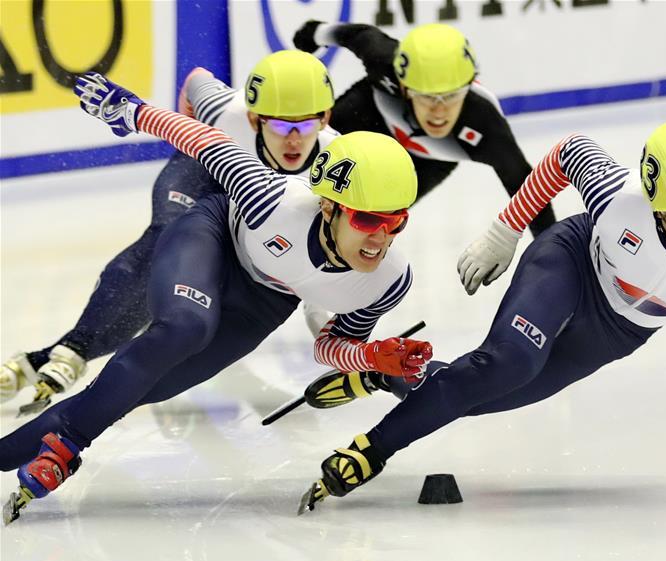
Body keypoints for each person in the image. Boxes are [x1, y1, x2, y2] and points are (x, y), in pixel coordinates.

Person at [296, 116, 666, 511]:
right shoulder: (619, 202)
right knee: (508, 362)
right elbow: (567, 153)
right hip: (568, 263)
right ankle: (372, 451)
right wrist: (505, 231)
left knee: (481, 397)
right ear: (655, 201)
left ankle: (385, 375)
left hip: (619, 330)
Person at [0, 72, 432, 524]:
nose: (380, 238)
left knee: (138, 389)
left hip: (265, 301)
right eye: (366, 220)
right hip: (213, 237)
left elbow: (329, 347)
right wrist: (127, 109)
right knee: (186, 327)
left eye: (395, 222)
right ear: (329, 206)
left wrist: (370, 356)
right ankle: (68, 443)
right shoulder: (271, 199)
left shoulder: (388, 281)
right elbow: (205, 140)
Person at [0, 50, 338, 413]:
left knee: (183, 296)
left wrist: (336, 346)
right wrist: (185, 133)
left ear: (325, 118)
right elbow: (196, 78)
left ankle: (50, 357)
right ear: (254, 118)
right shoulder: (224, 110)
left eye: (304, 126)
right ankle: (75, 350)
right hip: (202, 173)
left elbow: (319, 269)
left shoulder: (334, 166)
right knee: (166, 240)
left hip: (247, 206)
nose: (293, 140)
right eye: (280, 125)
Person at [294, 21, 557, 237]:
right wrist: (315, 32)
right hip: (368, 114)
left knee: (370, 217)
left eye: (453, 95)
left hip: (429, 160)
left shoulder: (484, 125)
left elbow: (530, 194)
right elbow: (358, 34)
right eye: (427, 96)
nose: (440, 111)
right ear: (404, 87)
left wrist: (554, 256)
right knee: (297, 157)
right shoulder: (383, 60)